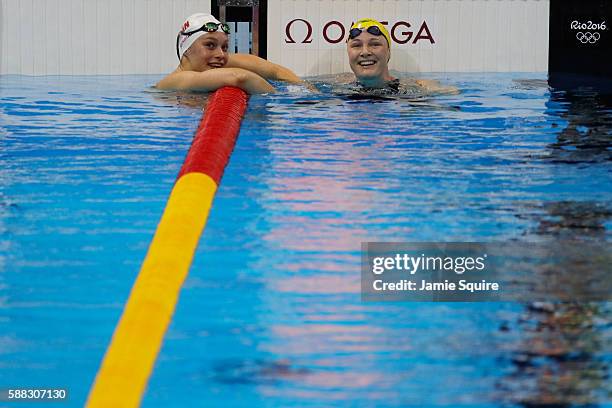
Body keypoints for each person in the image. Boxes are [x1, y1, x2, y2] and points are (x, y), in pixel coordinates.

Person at [156, 13, 306, 94]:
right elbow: (239, 77)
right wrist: (279, 99)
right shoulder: (176, 80)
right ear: (186, 48)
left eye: (225, 47)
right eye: (210, 45)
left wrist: (304, 88)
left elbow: (275, 70)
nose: (221, 54)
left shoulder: (213, 63)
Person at [345, 18, 457, 95]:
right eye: (356, 45)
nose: (365, 52)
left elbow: (452, 92)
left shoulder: (415, 87)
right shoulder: (337, 86)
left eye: (375, 44)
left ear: (388, 52)